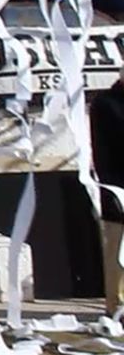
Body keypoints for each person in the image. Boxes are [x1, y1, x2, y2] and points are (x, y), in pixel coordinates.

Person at [91, 72, 124, 317]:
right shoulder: (106, 104)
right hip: (118, 191)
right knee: (118, 254)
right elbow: (103, 155)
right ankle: (117, 309)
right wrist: (113, 191)